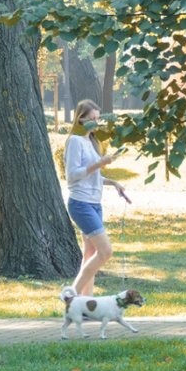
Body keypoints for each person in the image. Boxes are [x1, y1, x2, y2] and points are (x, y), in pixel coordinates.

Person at [61, 99, 130, 302]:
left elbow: (92, 176)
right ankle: (71, 294)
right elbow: (73, 175)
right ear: (81, 119)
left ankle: (85, 304)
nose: (95, 123)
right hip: (80, 204)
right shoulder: (74, 141)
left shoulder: (91, 143)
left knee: (90, 253)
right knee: (105, 251)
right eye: (92, 119)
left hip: (94, 202)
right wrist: (100, 163)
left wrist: (113, 182)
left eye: (97, 119)